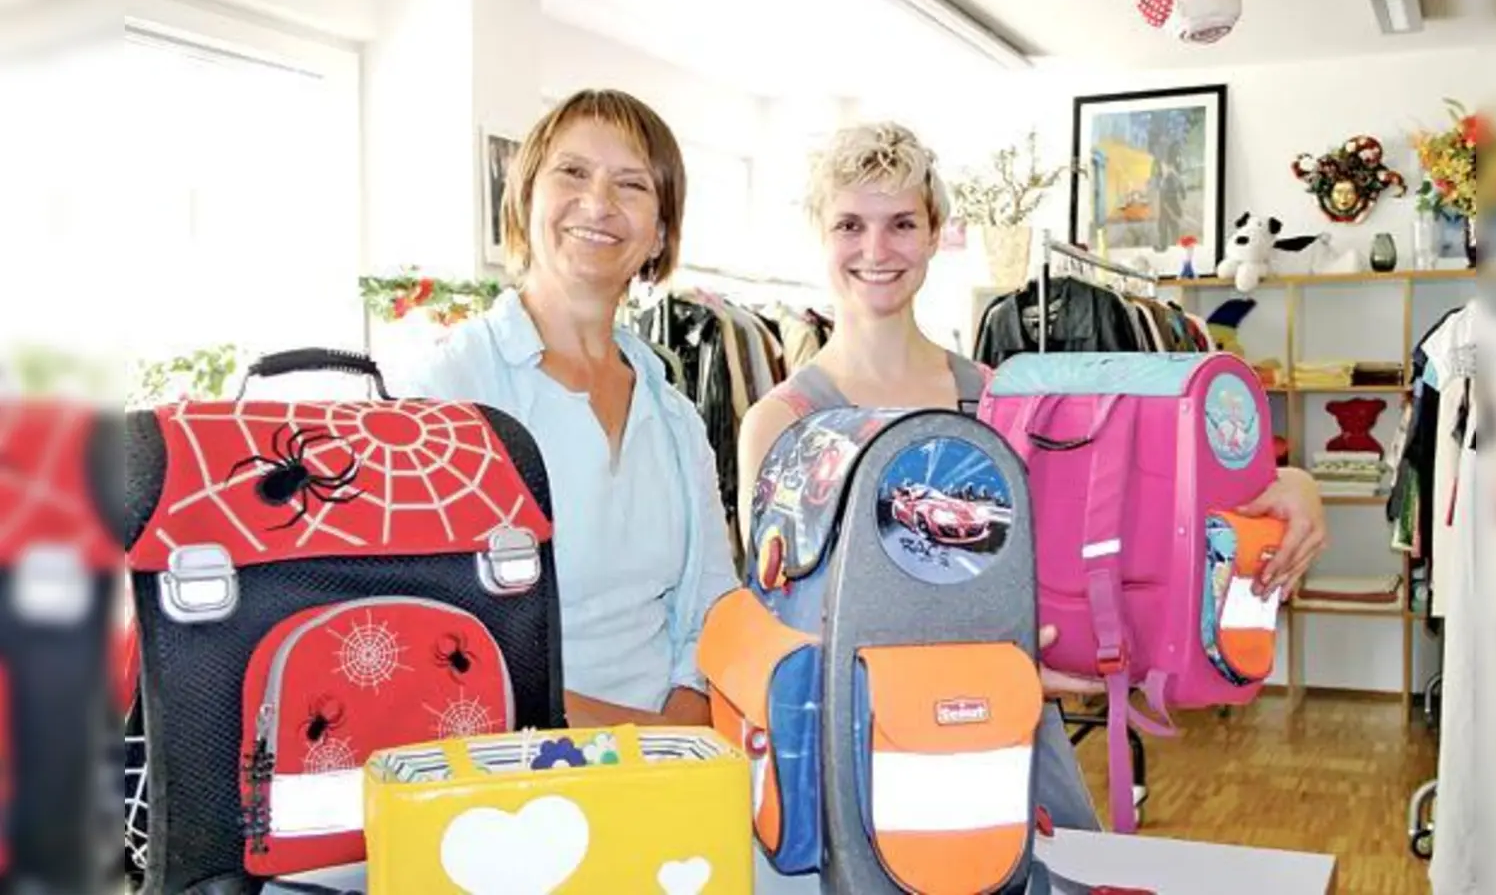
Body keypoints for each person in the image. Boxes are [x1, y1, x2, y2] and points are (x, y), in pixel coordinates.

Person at [735, 121, 1330, 833]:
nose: (876, 250)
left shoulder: (1007, 399)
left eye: (901, 223)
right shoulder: (783, 424)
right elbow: (786, 632)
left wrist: (1291, 488)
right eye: (849, 225)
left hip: (1014, 746)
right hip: (865, 759)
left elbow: (1153, 494)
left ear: (934, 233)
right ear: (819, 233)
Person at [392, 89, 738, 728]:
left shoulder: (673, 414)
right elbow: (426, 628)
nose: (598, 203)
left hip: (673, 771)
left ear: (660, 231)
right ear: (525, 197)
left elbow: (713, 604)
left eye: (631, 184)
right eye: (573, 172)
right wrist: (633, 740)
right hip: (511, 773)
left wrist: (681, 730)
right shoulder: (451, 389)